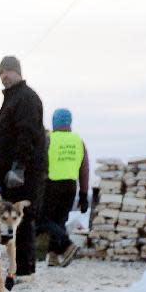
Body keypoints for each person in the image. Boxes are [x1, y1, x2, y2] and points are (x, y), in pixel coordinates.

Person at [0, 56, 47, 277]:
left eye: (8, 71)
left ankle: (25, 271)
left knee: (22, 219)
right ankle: (18, 269)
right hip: (10, 173)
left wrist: (18, 167)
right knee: (13, 221)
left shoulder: (26, 98)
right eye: (1, 72)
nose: (4, 76)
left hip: (24, 173)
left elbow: (27, 134)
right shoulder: (12, 99)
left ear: (18, 72)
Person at [44, 108, 89, 267]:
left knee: (43, 219)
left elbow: (40, 163)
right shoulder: (78, 141)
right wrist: (83, 195)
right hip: (70, 186)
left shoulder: (48, 139)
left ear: (54, 122)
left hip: (50, 185)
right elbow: (84, 170)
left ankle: (67, 245)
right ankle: (53, 256)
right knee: (59, 221)